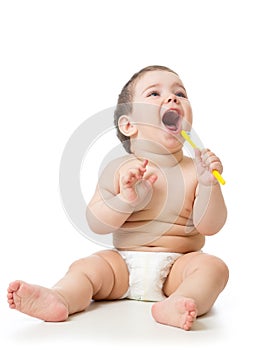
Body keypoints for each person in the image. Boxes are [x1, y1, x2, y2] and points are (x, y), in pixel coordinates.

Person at [7, 65, 229, 331]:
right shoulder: (118, 169)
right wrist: (126, 201)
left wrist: (209, 186)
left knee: (213, 268)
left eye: (179, 92)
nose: (172, 99)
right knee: (86, 268)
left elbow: (210, 226)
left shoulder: (196, 170)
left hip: (178, 268)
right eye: (154, 94)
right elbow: (97, 222)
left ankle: (182, 300)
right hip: (123, 265)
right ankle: (60, 297)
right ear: (129, 125)